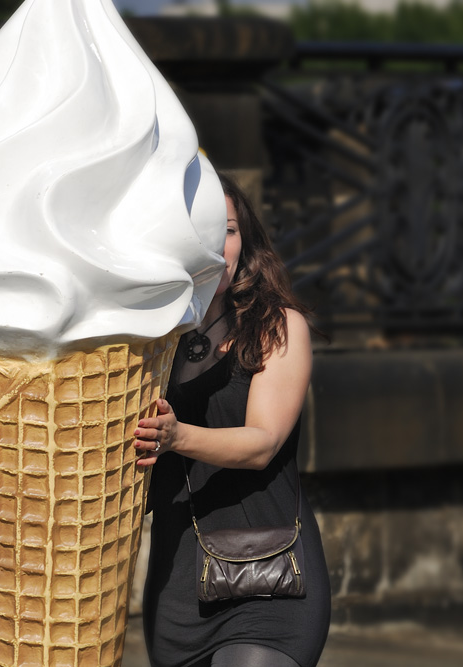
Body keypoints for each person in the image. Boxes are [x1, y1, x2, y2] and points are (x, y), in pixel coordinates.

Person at [134, 173, 331, 667]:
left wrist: (177, 435)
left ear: (245, 241)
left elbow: (262, 442)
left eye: (227, 230)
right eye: (201, 230)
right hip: (177, 585)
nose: (216, 245)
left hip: (268, 580)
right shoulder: (147, 340)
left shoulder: (278, 325)